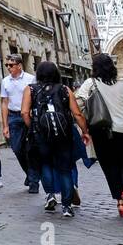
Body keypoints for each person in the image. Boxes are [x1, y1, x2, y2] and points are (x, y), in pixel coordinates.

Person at [76, 54, 123, 217]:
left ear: (94, 68)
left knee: (110, 166)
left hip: (101, 132)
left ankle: (120, 203)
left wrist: (86, 125)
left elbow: (78, 104)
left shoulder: (89, 84)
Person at [22, 60, 90, 218]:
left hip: (41, 135)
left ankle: (50, 195)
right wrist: (85, 131)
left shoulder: (30, 89)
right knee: (65, 169)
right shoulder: (65, 89)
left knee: (45, 165)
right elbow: (77, 114)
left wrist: (33, 127)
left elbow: (24, 112)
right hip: (63, 135)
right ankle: (66, 206)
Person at [0, 52, 39, 192]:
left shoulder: (31, 79)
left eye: (11, 65)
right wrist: (5, 125)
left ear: (19, 65)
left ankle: (34, 181)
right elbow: (4, 103)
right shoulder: (5, 81)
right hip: (14, 117)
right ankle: (29, 174)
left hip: (28, 115)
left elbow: (35, 99)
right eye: (7, 65)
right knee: (17, 148)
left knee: (30, 149)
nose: (8, 68)